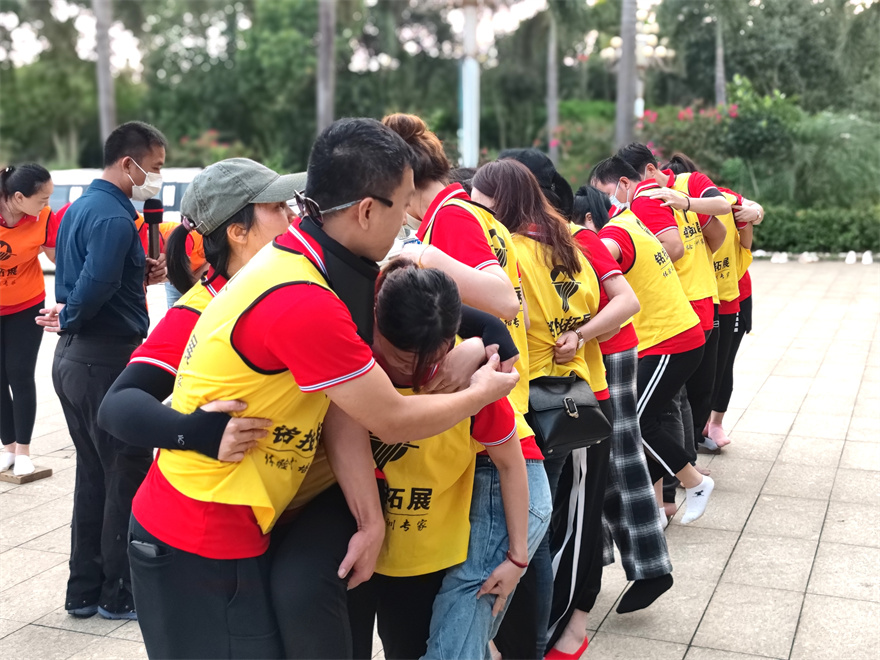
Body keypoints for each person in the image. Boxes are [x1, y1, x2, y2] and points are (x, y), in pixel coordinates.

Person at [122, 118, 518, 660]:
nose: (411, 215)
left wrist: (370, 520)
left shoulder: (319, 265)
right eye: (404, 202)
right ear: (366, 210)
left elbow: (342, 409)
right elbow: (389, 419)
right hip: (197, 531)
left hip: (240, 519)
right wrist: (481, 393)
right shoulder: (304, 297)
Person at [347, 259, 545, 660]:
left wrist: (519, 554)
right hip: (358, 543)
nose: (417, 372)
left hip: (429, 554)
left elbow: (511, 464)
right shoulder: (354, 364)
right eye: (403, 360)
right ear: (375, 324)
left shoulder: (471, 383)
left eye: (431, 359)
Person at [471, 159, 629, 660]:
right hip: (573, 398)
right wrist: (580, 334)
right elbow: (617, 307)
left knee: (531, 532)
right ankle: (536, 639)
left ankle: (522, 642)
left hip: (527, 403)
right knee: (548, 524)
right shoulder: (575, 245)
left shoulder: (509, 252)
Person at [34, 121, 167, 620]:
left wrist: (139, 273)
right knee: (125, 471)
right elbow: (95, 282)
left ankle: (84, 590)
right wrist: (70, 314)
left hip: (77, 360)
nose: (157, 176)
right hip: (104, 359)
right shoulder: (113, 217)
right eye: (154, 167)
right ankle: (119, 592)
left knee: (94, 475)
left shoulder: (82, 208)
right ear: (128, 163)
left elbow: (99, 276)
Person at [590, 156, 714, 525]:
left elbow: (602, 262)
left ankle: (695, 482)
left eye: (607, 192)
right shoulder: (631, 221)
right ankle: (658, 503)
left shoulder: (613, 234)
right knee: (649, 418)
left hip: (668, 340)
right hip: (673, 336)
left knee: (635, 421)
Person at [570, 185, 675, 620]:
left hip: (609, 353)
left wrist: (580, 334)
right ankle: (598, 565)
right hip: (593, 355)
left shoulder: (583, 238)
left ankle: (649, 567)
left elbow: (624, 304)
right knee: (598, 460)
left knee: (622, 457)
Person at [617, 143, 729, 465]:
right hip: (694, 301)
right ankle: (686, 463)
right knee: (679, 393)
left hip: (686, 302)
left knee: (671, 398)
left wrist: (687, 206)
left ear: (648, 171)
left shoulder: (675, 189)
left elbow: (720, 216)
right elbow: (717, 234)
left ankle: (680, 471)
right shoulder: (652, 198)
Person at [661, 154, 763, 448]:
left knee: (721, 366)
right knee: (703, 369)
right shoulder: (669, 206)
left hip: (731, 295)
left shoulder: (716, 199)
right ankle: (697, 430)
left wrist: (753, 215)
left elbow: (752, 212)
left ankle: (712, 425)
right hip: (703, 296)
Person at [0, 164, 58, 476]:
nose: (47, 204)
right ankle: (7, 447)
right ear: (19, 197)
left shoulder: (43, 218)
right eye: (42, 199)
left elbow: (59, 257)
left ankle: (23, 450)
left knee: (19, 374)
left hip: (26, 305)